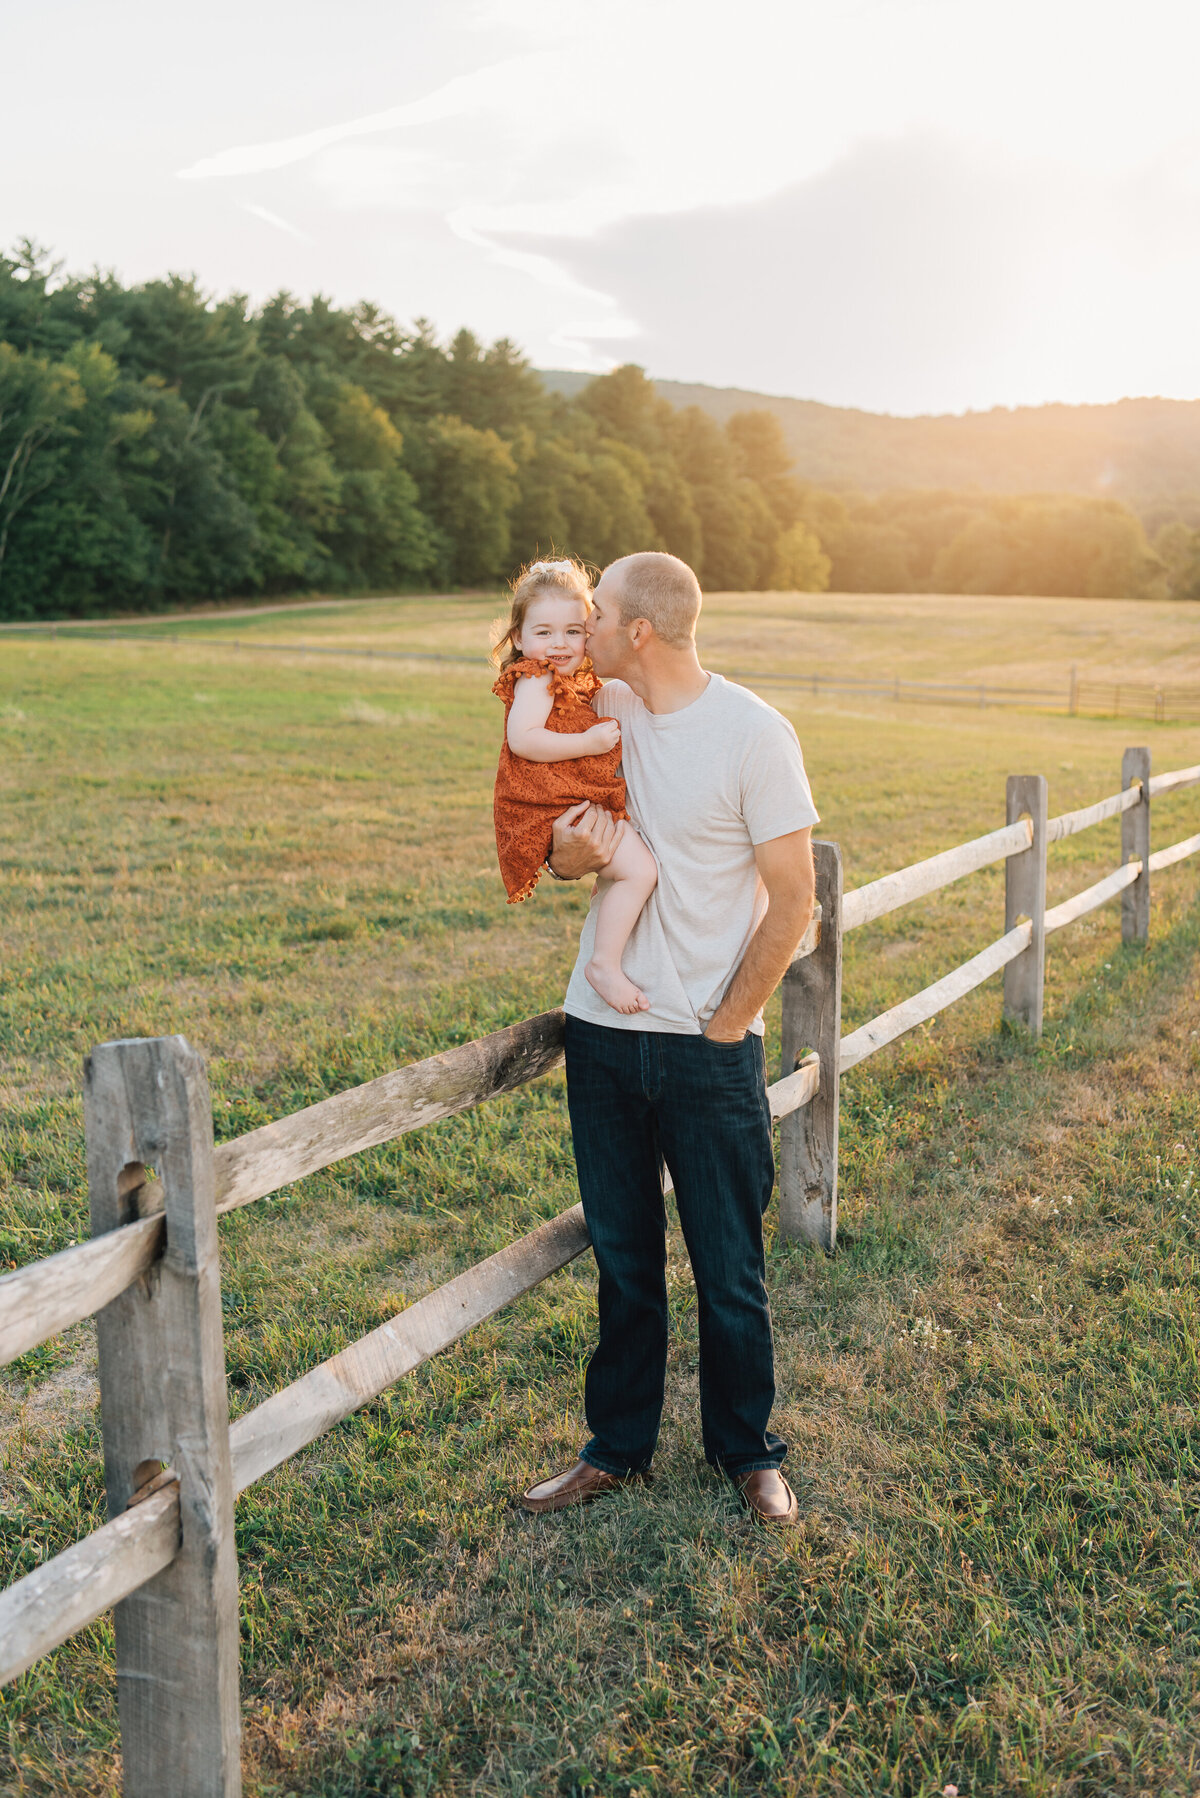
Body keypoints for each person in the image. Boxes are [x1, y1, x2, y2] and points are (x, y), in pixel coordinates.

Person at [520, 551, 818, 1525]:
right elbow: (563, 857)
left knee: (729, 1266)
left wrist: (726, 1023)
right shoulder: (598, 713)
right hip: (602, 1037)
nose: (585, 625)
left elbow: (795, 904)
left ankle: (748, 1450)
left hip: (706, 1044)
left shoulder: (753, 734)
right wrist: (576, 844)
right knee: (624, 1257)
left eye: (597, 612)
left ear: (638, 630)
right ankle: (617, 1449)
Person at [491, 558, 659, 1014]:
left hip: (561, 796)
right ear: (520, 638)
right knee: (641, 872)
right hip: (547, 802)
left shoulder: (570, 679)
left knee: (627, 868)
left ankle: (606, 944)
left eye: (573, 630)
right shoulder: (537, 675)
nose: (559, 644)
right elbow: (523, 740)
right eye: (543, 632)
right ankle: (604, 964)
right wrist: (588, 740)